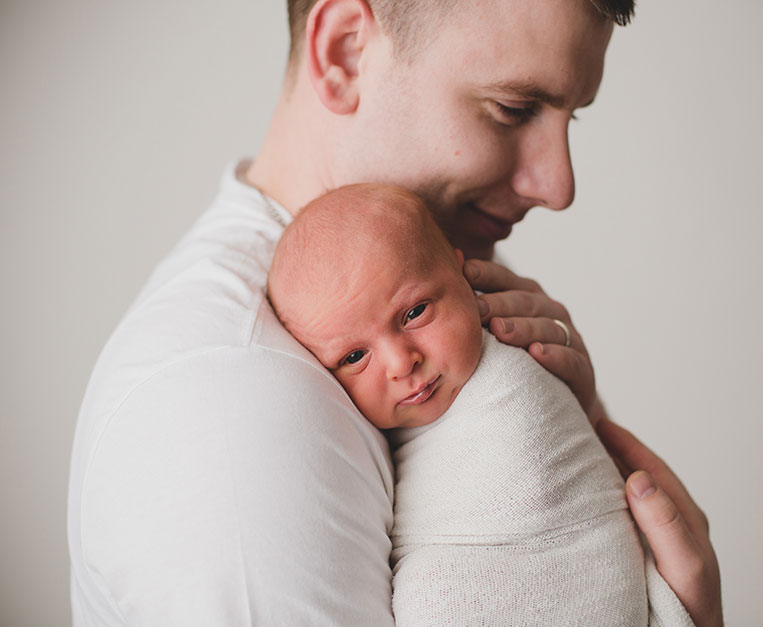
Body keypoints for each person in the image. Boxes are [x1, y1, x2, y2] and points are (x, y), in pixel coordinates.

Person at [67, 0, 722, 625]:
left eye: (569, 117)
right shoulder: (236, 404)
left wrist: (572, 431)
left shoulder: (466, 341)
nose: (560, 186)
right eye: (513, 108)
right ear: (345, 54)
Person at [267, 183, 695, 626]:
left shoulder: (515, 375)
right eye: (354, 357)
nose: (401, 363)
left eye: (415, 312)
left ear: (461, 275)